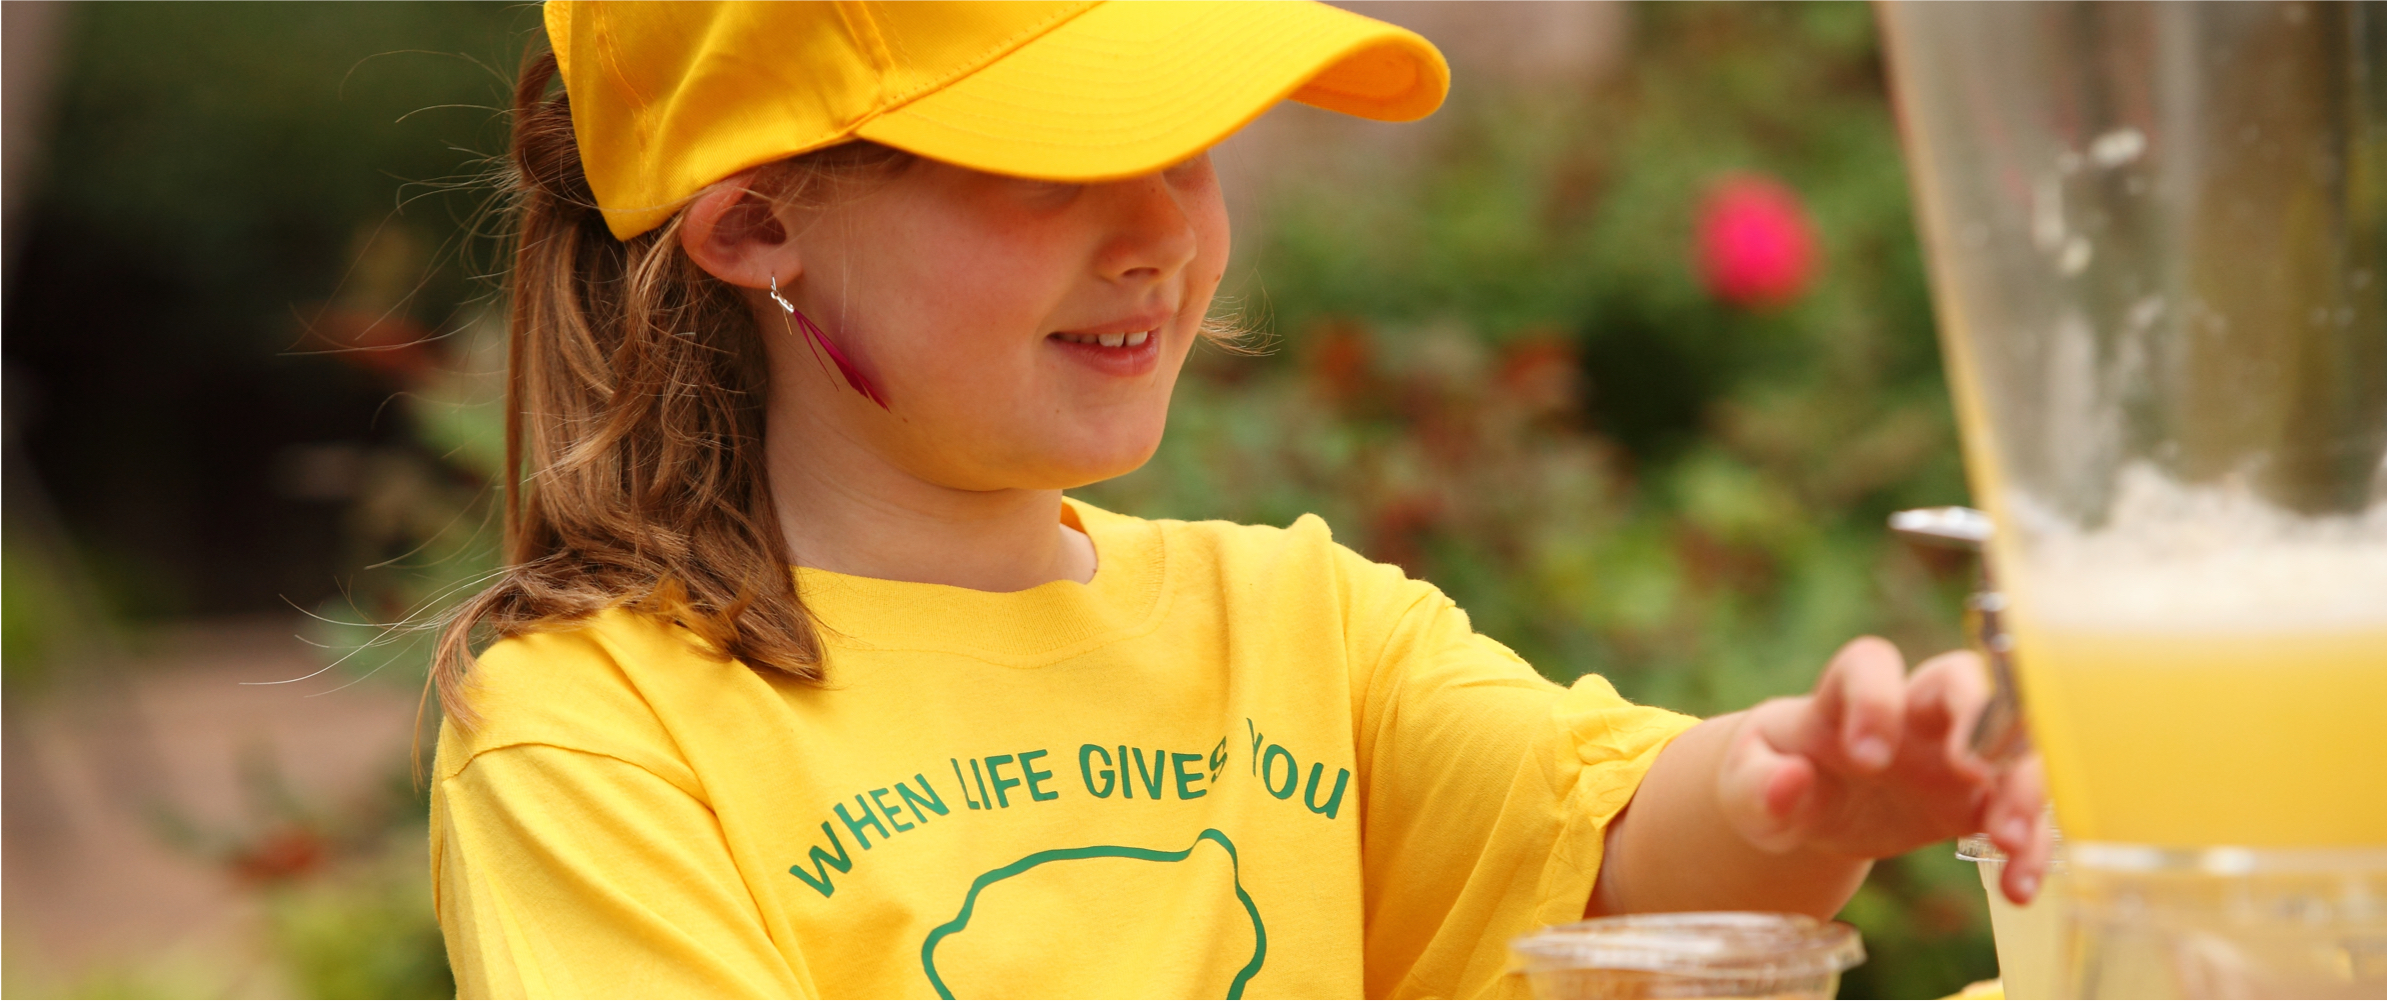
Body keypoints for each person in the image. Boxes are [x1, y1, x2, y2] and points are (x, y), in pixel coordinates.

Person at [429, 2, 2052, 998]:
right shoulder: (595, 736)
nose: (1161, 229)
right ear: (752, 227)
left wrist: (1815, 796)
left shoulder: (1298, 620)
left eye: (1191, 145)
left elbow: (1625, 862)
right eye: (1056, 162)